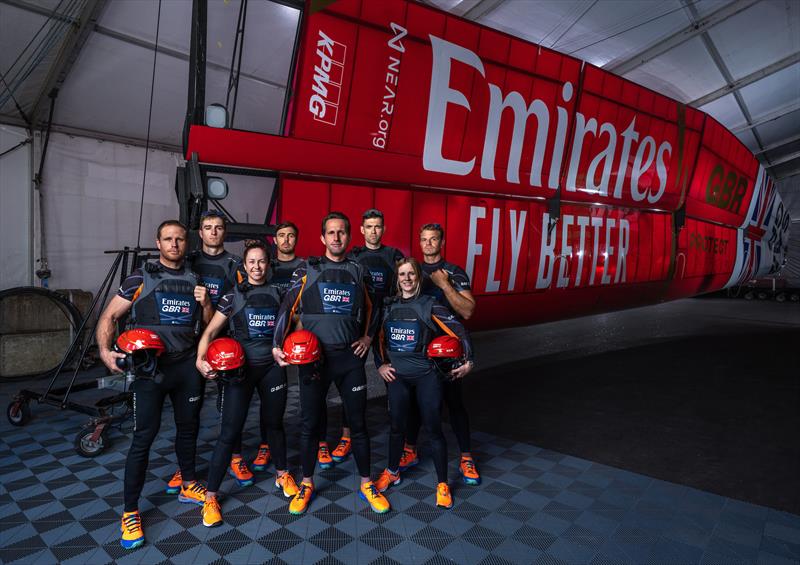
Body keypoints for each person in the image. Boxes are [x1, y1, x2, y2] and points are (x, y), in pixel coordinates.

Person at [96, 220, 213, 550]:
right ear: (157, 242)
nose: (174, 244)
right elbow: (109, 317)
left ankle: (189, 482)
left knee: (188, 427)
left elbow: (206, 325)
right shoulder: (140, 277)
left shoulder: (195, 279)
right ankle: (130, 511)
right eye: (168, 239)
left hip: (186, 367)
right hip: (150, 370)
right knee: (143, 437)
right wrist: (105, 352)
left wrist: (205, 303)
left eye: (179, 239)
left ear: (186, 244)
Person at [272, 211, 389, 515]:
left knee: (359, 424)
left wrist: (366, 338)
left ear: (349, 237)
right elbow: (287, 307)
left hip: (349, 360)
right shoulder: (307, 269)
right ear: (323, 238)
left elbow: (374, 307)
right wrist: (276, 344)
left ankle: (366, 484)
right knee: (310, 424)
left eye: (342, 232)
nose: (337, 237)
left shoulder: (357, 270)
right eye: (331, 233)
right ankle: (307, 483)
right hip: (314, 361)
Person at [195, 242, 298, 528]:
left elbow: (297, 325)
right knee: (229, 432)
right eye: (251, 262)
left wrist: (295, 346)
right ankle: (211, 497)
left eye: (262, 261)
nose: (256, 266)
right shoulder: (232, 296)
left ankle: (282, 473)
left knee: (274, 424)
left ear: (268, 264)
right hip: (240, 370)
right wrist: (200, 359)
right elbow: (211, 330)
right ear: (244, 266)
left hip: (272, 369)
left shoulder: (281, 294)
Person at [373, 257, 473, 508]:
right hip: (398, 378)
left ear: (418, 278)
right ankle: (393, 472)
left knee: (433, 430)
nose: (406, 279)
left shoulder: (429, 305)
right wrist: (381, 365)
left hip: (427, 377)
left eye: (411, 274)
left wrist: (470, 360)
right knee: (397, 428)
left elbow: (459, 331)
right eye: (402, 274)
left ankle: (442, 484)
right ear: (397, 279)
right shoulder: (388, 306)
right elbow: (377, 339)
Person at [166, 209, 252, 493]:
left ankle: (236, 458)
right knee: (188, 413)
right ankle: (185, 468)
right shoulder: (187, 262)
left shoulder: (235, 264)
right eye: (207, 227)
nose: (213, 232)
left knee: (229, 407)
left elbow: (243, 301)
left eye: (218, 227)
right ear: (199, 233)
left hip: (224, 343)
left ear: (224, 232)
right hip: (189, 344)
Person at [320, 209, 404, 466]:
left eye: (378, 226)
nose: (374, 231)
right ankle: (347, 436)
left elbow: (408, 279)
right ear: (361, 229)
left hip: (386, 324)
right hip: (358, 328)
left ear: (383, 229)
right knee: (348, 385)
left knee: (395, 380)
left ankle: (401, 443)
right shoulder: (354, 256)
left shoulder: (394, 256)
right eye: (369, 226)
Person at [401, 223, 481, 485]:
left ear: (441, 242)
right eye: (424, 239)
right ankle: (410, 450)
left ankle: (466, 458)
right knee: (414, 403)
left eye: (433, 239)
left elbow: (468, 311)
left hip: (447, 352)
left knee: (455, 405)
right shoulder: (412, 272)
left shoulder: (453, 272)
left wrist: (445, 285)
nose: (428, 244)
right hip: (418, 350)